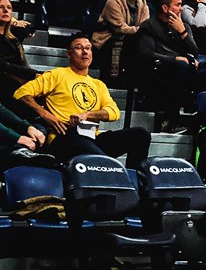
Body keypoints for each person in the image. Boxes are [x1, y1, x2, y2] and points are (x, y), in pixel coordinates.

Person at [14, 33, 150, 168]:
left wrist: (87, 115)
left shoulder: (98, 84)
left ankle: (134, 181)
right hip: (65, 136)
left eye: (88, 48)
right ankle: (110, 170)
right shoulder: (57, 74)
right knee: (91, 151)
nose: (85, 52)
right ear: (68, 54)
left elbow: (114, 112)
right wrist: (46, 115)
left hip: (91, 138)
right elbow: (21, 93)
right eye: (79, 48)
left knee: (140, 135)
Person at [138, 0, 206, 130]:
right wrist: (176, 59)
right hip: (160, 71)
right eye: (177, 5)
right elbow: (147, 54)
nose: (181, 8)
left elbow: (194, 52)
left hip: (187, 72)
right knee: (180, 66)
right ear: (165, 8)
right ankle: (172, 119)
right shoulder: (149, 26)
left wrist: (182, 32)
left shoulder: (183, 26)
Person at [91, 0, 149, 72]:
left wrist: (143, 30)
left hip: (132, 39)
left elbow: (146, 26)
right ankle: (114, 78)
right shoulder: (113, 2)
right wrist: (141, 30)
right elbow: (120, 28)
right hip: (107, 40)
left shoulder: (143, 4)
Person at [0, 0, 37, 102]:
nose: (5, 10)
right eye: (1, 7)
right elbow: (3, 66)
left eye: (9, 8)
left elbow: (30, 29)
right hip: (6, 87)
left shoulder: (12, 37)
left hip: (18, 83)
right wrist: (33, 74)